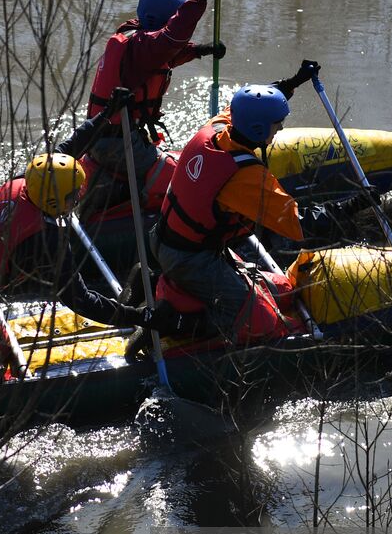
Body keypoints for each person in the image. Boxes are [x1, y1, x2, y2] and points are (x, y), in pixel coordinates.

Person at [145, 61, 353, 341]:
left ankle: (150, 278)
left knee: (279, 287)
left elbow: (245, 105)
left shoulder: (216, 129)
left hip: (164, 240)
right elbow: (299, 224)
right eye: (276, 124)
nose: (279, 128)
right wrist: (354, 204)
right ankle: (175, 323)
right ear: (257, 129)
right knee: (260, 323)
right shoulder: (245, 177)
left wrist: (293, 82)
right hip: (190, 260)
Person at [0, 152, 144, 334]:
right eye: (73, 196)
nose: (77, 199)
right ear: (53, 199)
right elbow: (81, 301)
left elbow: (65, 149)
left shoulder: (21, 183)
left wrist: (104, 116)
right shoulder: (45, 239)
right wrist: (140, 317)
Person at [77, 0, 229, 208]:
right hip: (117, 141)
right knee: (178, 176)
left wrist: (202, 50)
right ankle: (156, 212)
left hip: (111, 137)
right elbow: (171, 38)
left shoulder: (136, 41)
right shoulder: (142, 45)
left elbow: (164, 53)